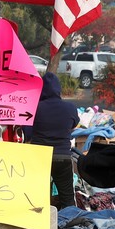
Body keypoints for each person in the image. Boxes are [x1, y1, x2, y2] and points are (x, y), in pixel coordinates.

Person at [22, 72, 79, 209]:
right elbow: (73, 124)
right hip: (63, 156)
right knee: (67, 198)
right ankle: (69, 226)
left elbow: (27, 133)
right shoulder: (70, 108)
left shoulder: (35, 108)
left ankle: (41, 226)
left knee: (38, 198)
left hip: (40, 157)